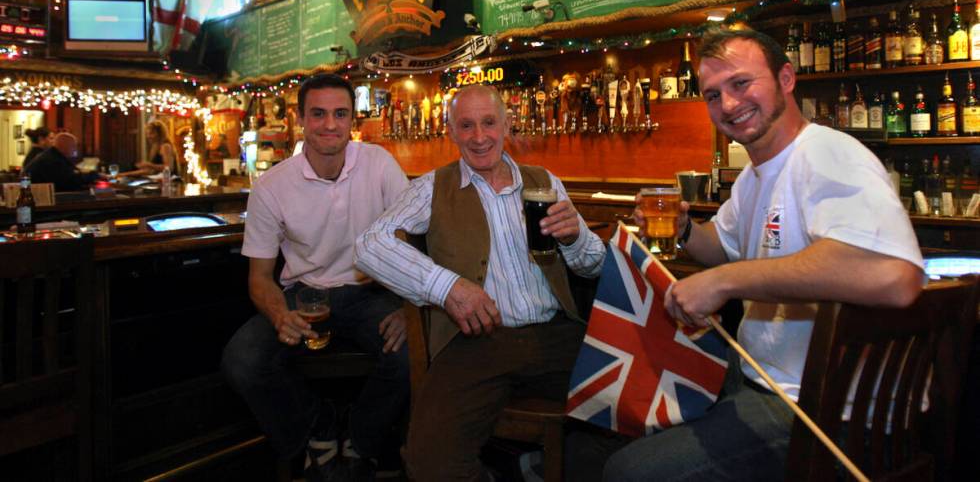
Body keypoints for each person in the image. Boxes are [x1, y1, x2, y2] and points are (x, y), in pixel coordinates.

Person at [598, 29, 924, 480]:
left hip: (825, 414)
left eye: (741, 84)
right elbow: (723, 247)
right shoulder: (754, 177)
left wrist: (728, 281)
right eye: (713, 95)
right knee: (631, 418)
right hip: (757, 378)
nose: (728, 105)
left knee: (627, 472)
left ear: (786, 79)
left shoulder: (827, 154)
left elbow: (893, 276)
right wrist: (686, 228)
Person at [355, 84, 606, 480]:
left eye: (489, 123)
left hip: (556, 336)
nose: (479, 136)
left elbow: (593, 266)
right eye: (466, 125)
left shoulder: (544, 181)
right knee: (429, 464)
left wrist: (577, 238)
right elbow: (369, 245)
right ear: (451, 132)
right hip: (475, 341)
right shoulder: (431, 188)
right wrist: (447, 287)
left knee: (636, 406)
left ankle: (547, 465)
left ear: (507, 124)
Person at [221, 74, 411, 481]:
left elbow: (412, 243)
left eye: (340, 114)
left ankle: (363, 440)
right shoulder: (271, 186)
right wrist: (278, 315)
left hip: (369, 292)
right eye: (319, 114)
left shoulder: (379, 164)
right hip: (303, 296)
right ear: (300, 119)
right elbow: (259, 278)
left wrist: (409, 308)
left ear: (352, 119)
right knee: (242, 361)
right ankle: (317, 427)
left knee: (412, 354)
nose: (330, 124)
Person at [23, 132, 102, 191]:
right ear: (65, 146)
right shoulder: (52, 160)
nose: (75, 149)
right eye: (74, 146)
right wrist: (95, 176)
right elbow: (70, 181)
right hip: (46, 205)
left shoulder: (53, 155)